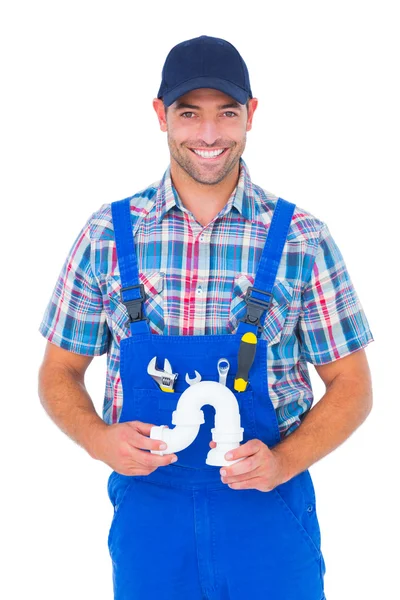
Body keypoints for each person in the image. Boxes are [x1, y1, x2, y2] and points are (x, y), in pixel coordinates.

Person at [38, 34, 374, 600]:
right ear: (160, 116)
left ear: (251, 116)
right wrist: (98, 440)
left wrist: (284, 461)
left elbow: (353, 386)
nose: (210, 134)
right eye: (189, 113)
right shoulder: (108, 234)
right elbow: (57, 372)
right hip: (151, 521)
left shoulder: (300, 238)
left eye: (227, 113)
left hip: (269, 512)